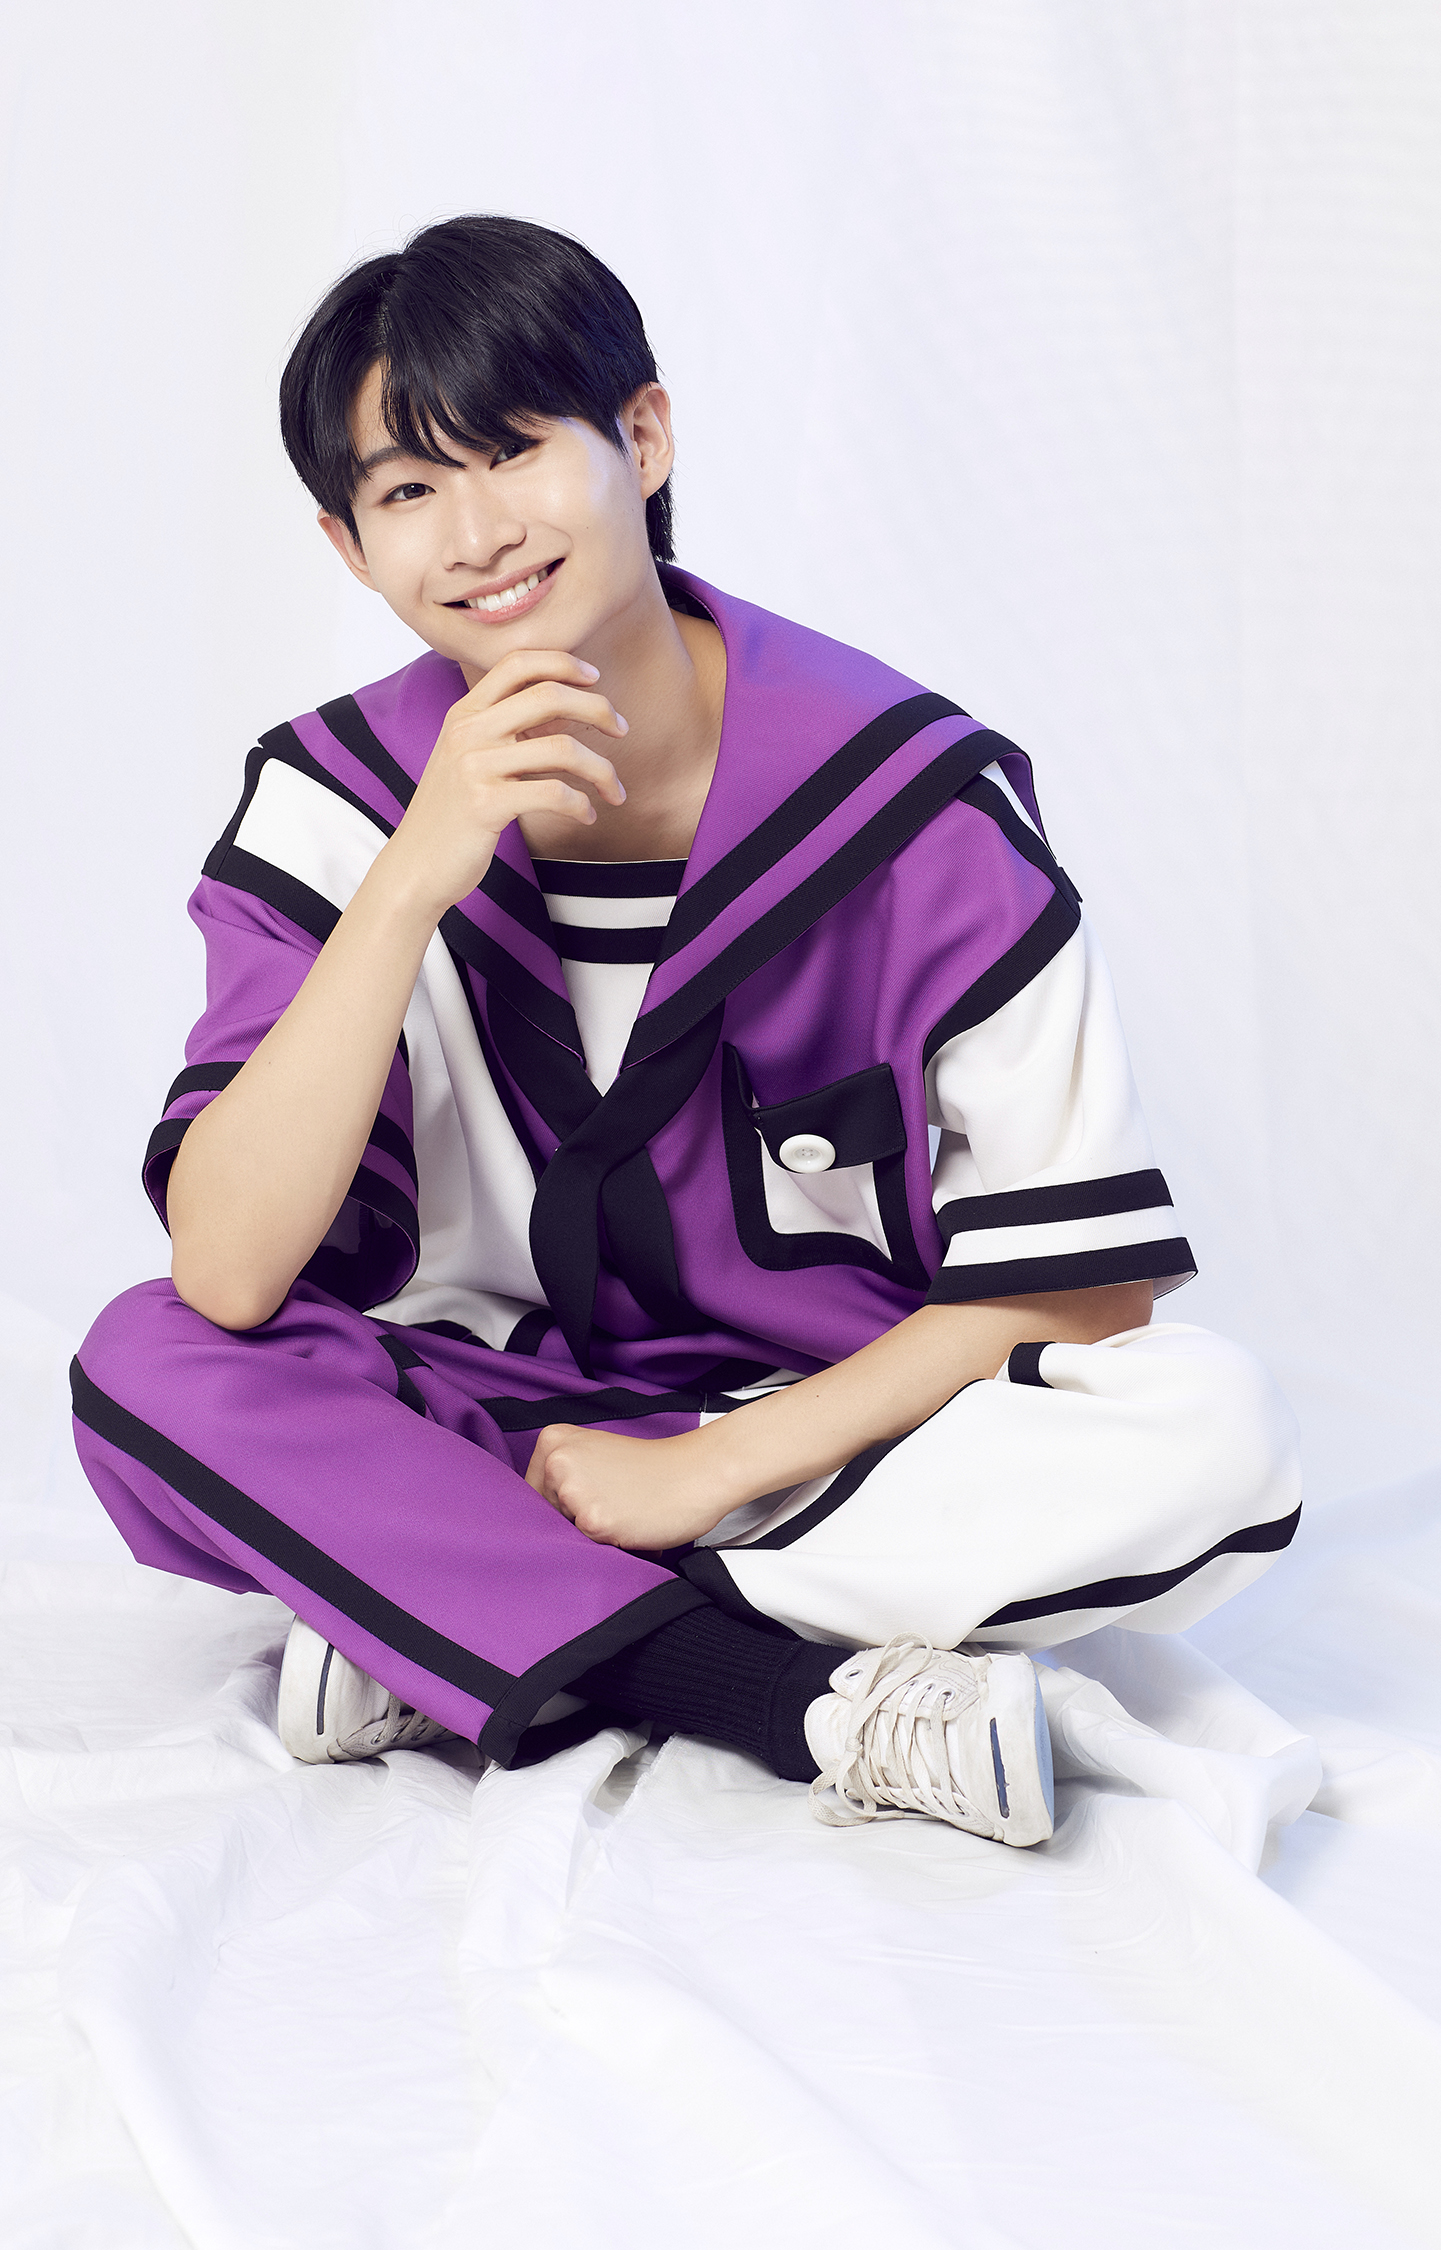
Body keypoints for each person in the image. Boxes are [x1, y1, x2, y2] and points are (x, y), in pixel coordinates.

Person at [70, 216, 1300, 1848]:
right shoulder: (332, 804)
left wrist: (701, 1475)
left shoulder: (912, 801)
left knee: (1211, 1425)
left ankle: (431, 1614)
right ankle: (800, 1699)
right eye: (410, 490)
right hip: (497, 1422)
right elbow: (229, 1273)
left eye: (515, 450)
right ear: (348, 545)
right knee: (148, 1360)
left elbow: (1082, 1285)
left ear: (642, 440)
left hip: (838, 1430)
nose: (479, 534)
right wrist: (414, 875)